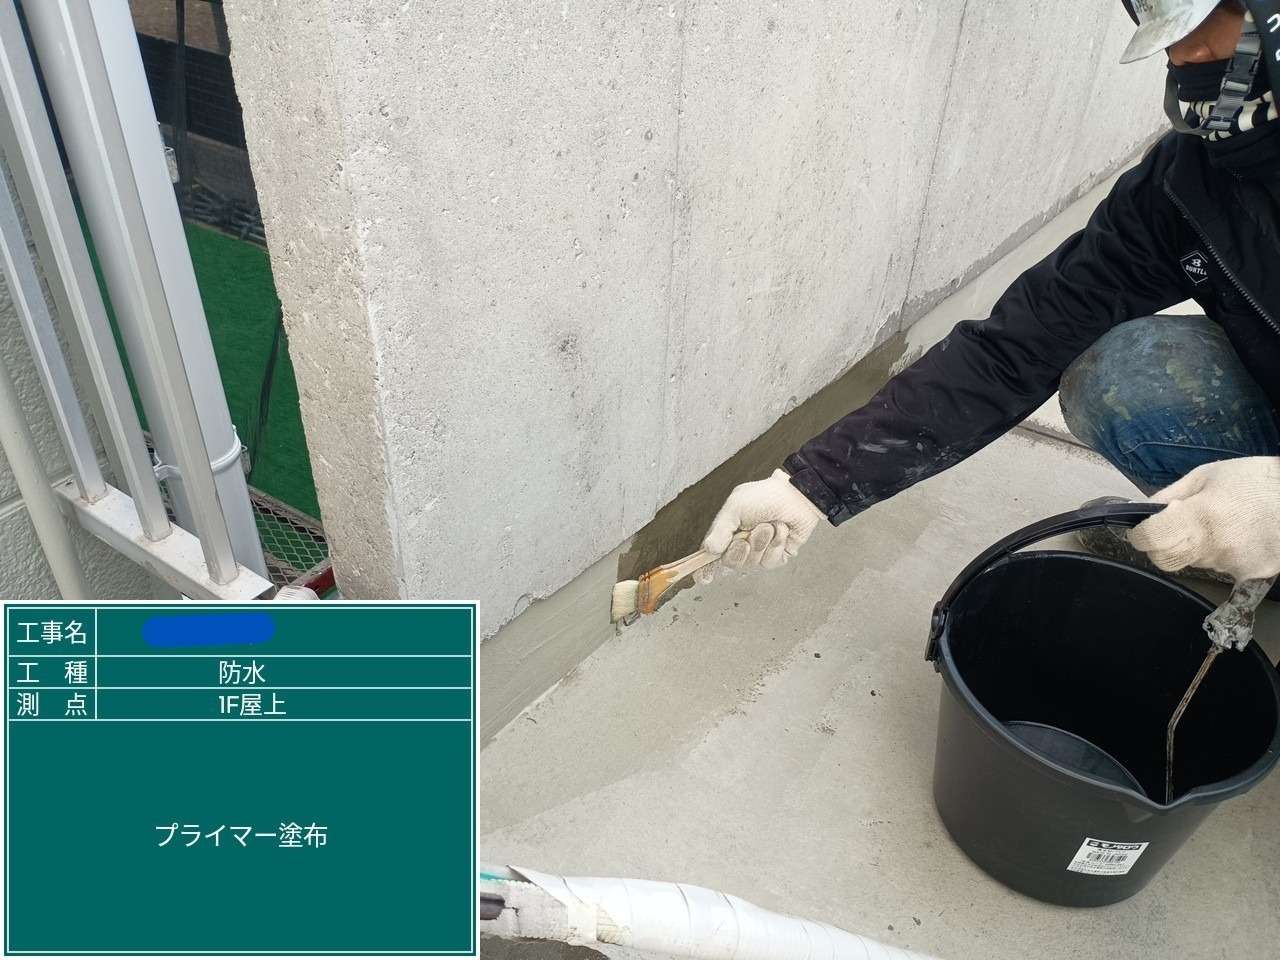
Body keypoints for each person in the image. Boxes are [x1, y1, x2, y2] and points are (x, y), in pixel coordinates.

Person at [700, 2, 1280, 608]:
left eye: (1214, 19)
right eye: (1172, 35)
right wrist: (812, 485)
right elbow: (1020, 344)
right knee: (1122, 374)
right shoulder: (1189, 184)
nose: (1185, 56)